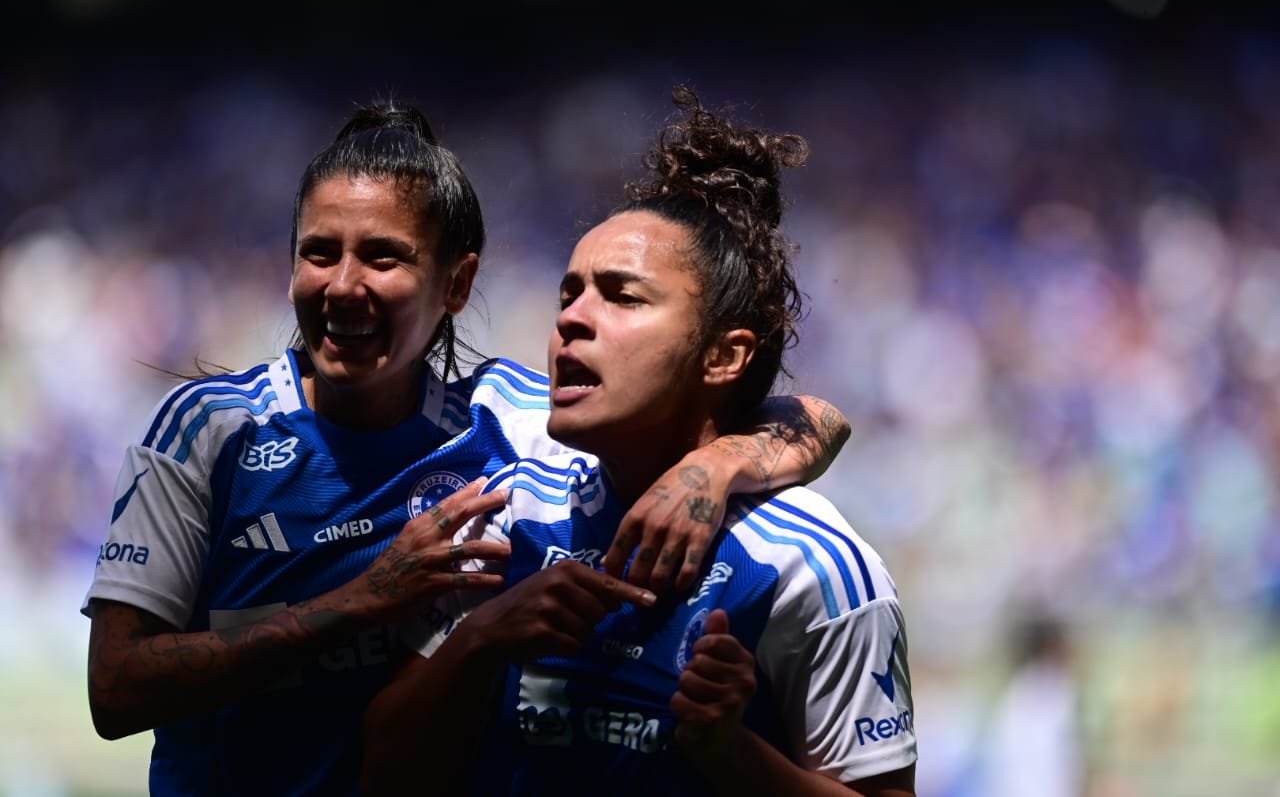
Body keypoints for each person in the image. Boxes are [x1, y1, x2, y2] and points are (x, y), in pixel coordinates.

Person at [82, 98, 851, 795]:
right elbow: (116, 689)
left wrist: (709, 468)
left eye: (382, 257)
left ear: (456, 283)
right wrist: (363, 601)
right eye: (319, 252)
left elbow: (810, 416)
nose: (342, 284)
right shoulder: (209, 430)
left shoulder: (505, 418)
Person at [361, 86, 917, 796]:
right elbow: (382, 768)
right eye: (570, 293)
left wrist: (726, 749)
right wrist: (480, 638)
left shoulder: (813, 567)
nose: (571, 319)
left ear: (724, 356)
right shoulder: (509, 501)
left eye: (621, 296)